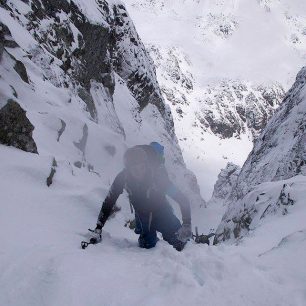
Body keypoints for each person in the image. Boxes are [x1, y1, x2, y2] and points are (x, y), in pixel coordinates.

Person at [90, 142, 192, 251]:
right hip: (142, 214)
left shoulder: (158, 178)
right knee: (148, 246)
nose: (140, 172)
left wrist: (186, 224)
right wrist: (98, 228)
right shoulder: (123, 178)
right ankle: (151, 241)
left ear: (146, 164)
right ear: (128, 169)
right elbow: (109, 201)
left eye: (142, 167)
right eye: (135, 169)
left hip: (162, 210)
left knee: (180, 243)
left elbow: (182, 199)